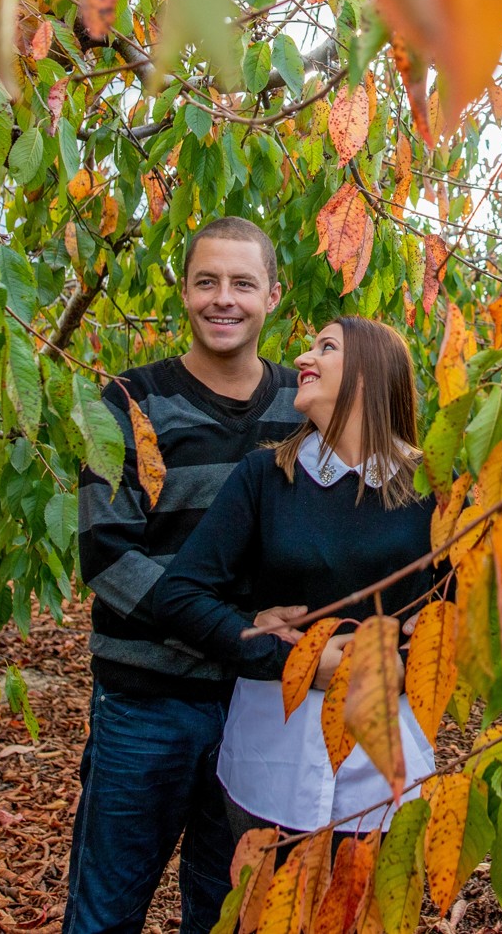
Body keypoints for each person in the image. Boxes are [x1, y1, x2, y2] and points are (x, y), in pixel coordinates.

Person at [65, 217, 307, 934]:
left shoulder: (306, 407)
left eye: (241, 282)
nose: (222, 299)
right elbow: (110, 557)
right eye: (206, 281)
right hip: (148, 703)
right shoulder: (129, 402)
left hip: (261, 710)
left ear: (272, 294)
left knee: (229, 913)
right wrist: (239, 634)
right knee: (107, 912)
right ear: (183, 292)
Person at [156, 316, 441, 834]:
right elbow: (180, 595)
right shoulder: (265, 476)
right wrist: (294, 661)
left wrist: (408, 661)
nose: (303, 359)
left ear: (368, 373)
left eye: (325, 347)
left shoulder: (433, 487)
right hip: (273, 760)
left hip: (388, 769)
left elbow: (471, 614)